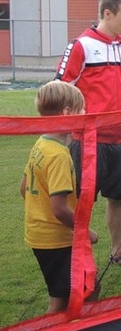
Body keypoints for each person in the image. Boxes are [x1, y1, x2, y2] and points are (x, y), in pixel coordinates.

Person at [55, 0, 121, 267]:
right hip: (88, 140)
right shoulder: (81, 45)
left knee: (118, 198)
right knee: (81, 201)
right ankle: (76, 255)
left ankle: (117, 252)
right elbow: (59, 88)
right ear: (108, 13)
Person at [20, 81, 99, 314]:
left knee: (68, 291)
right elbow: (59, 209)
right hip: (56, 240)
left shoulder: (41, 144)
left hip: (38, 235)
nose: (85, 114)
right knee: (69, 295)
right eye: (82, 109)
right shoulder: (58, 156)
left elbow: (23, 188)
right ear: (67, 113)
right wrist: (85, 231)